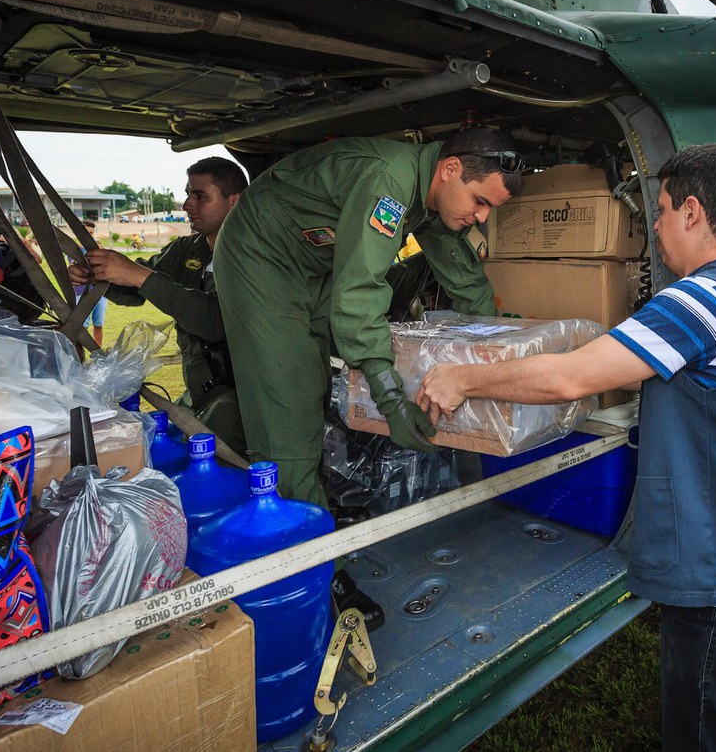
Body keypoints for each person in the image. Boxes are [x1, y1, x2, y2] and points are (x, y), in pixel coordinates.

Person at [417, 143, 716, 751]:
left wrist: (464, 377)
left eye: (662, 209)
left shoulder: (699, 301)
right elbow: (646, 370)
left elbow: (570, 379)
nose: (654, 225)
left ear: (694, 213)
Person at [214, 128, 523, 631]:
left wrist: (509, 355)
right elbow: (360, 291)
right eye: (480, 201)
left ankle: (315, 509)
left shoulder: (434, 199)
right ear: (450, 169)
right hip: (262, 260)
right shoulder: (390, 180)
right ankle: (318, 575)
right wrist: (389, 399)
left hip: (312, 269)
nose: (482, 217)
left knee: (312, 397)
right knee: (286, 418)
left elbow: (463, 275)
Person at [67, 157, 248, 454]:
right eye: (188, 194)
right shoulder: (189, 249)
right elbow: (135, 291)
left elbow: (215, 321)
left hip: (244, 396)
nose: (187, 204)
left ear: (235, 201)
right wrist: (97, 275)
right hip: (202, 391)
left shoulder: (255, 254)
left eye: (200, 196)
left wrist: (139, 275)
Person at [76, 220, 107, 347]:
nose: (89, 235)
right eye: (87, 232)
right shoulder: (76, 250)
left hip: (100, 292)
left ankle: (97, 354)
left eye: (91, 233)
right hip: (81, 291)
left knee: (98, 324)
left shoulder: (100, 248)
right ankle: (80, 354)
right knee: (82, 325)